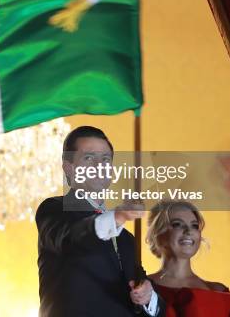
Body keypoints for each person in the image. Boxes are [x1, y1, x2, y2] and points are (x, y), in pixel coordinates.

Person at [36, 126, 164, 317]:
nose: (99, 165)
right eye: (89, 158)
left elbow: (148, 302)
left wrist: (148, 296)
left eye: (105, 159)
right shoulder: (54, 209)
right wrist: (117, 217)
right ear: (69, 168)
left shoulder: (126, 239)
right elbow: (71, 239)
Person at [146, 201, 230, 316]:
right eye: (177, 224)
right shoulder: (137, 288)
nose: (189, 231)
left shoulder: (218, 292)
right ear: (158, 234)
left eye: (194, 225)